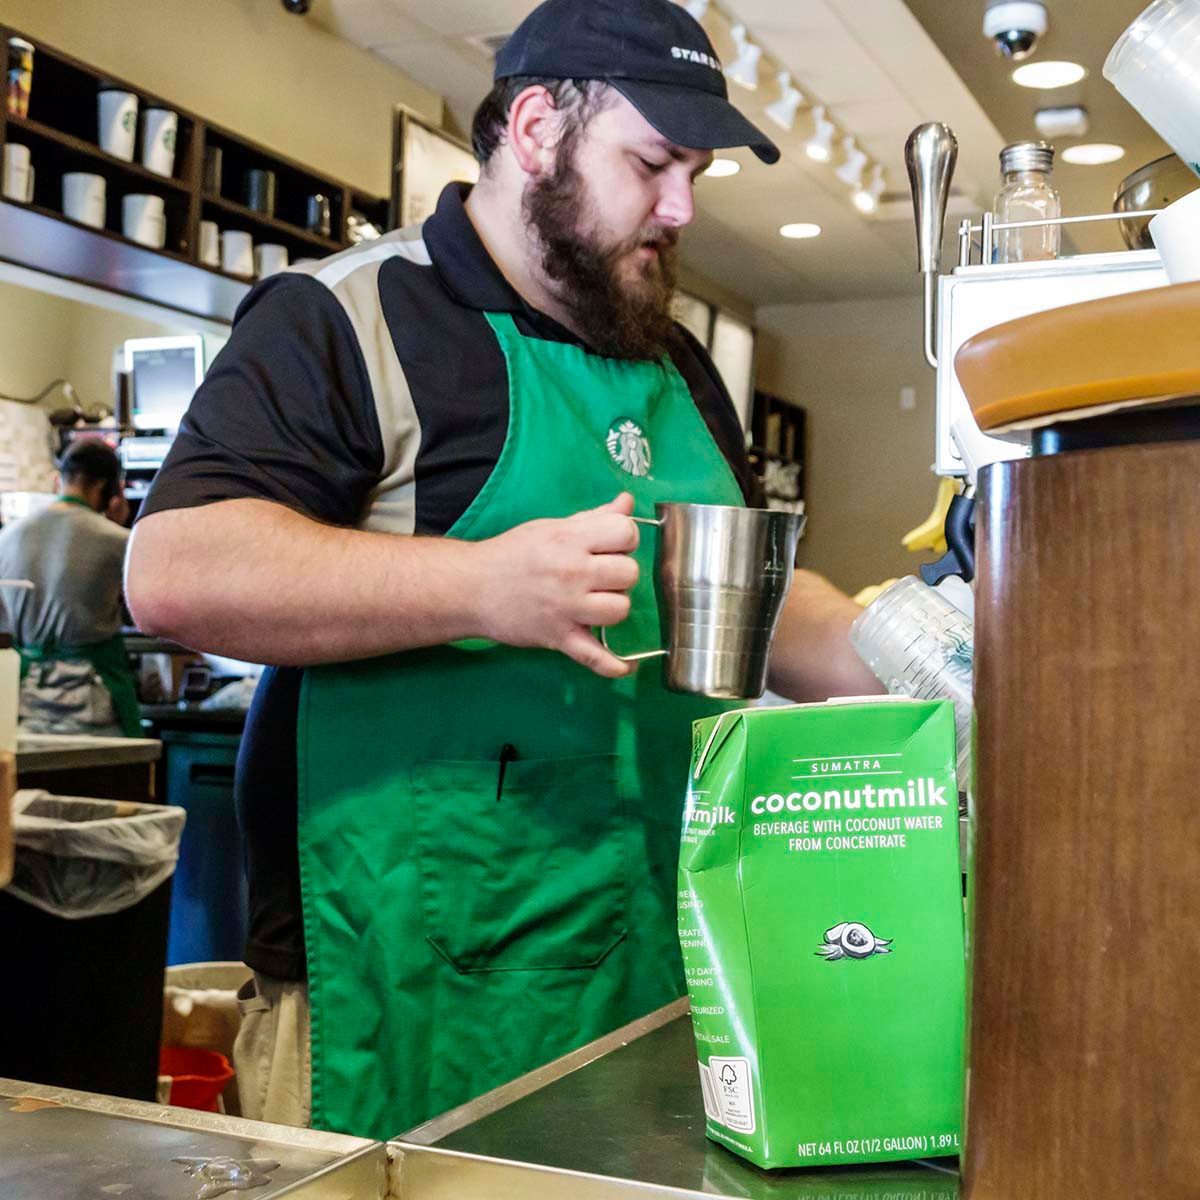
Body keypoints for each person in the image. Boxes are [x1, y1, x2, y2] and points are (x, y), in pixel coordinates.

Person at [126, 0, 883, 1139]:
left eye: (696, 175)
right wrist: (479, 587)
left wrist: (916, 657)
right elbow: (174, 569)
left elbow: (746, 597)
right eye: (653, 164)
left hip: (659, 968)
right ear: (534, 128)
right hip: (401, 982)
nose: (680, 208)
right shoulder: (350, 320)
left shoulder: (676, 363)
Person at [0, 439, 139, 737]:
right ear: (108, 489)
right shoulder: (120, 541)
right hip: (94, 701)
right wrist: (120, 526)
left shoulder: (6, 538)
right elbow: (138, 614)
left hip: (24, 700)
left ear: (58, 479)